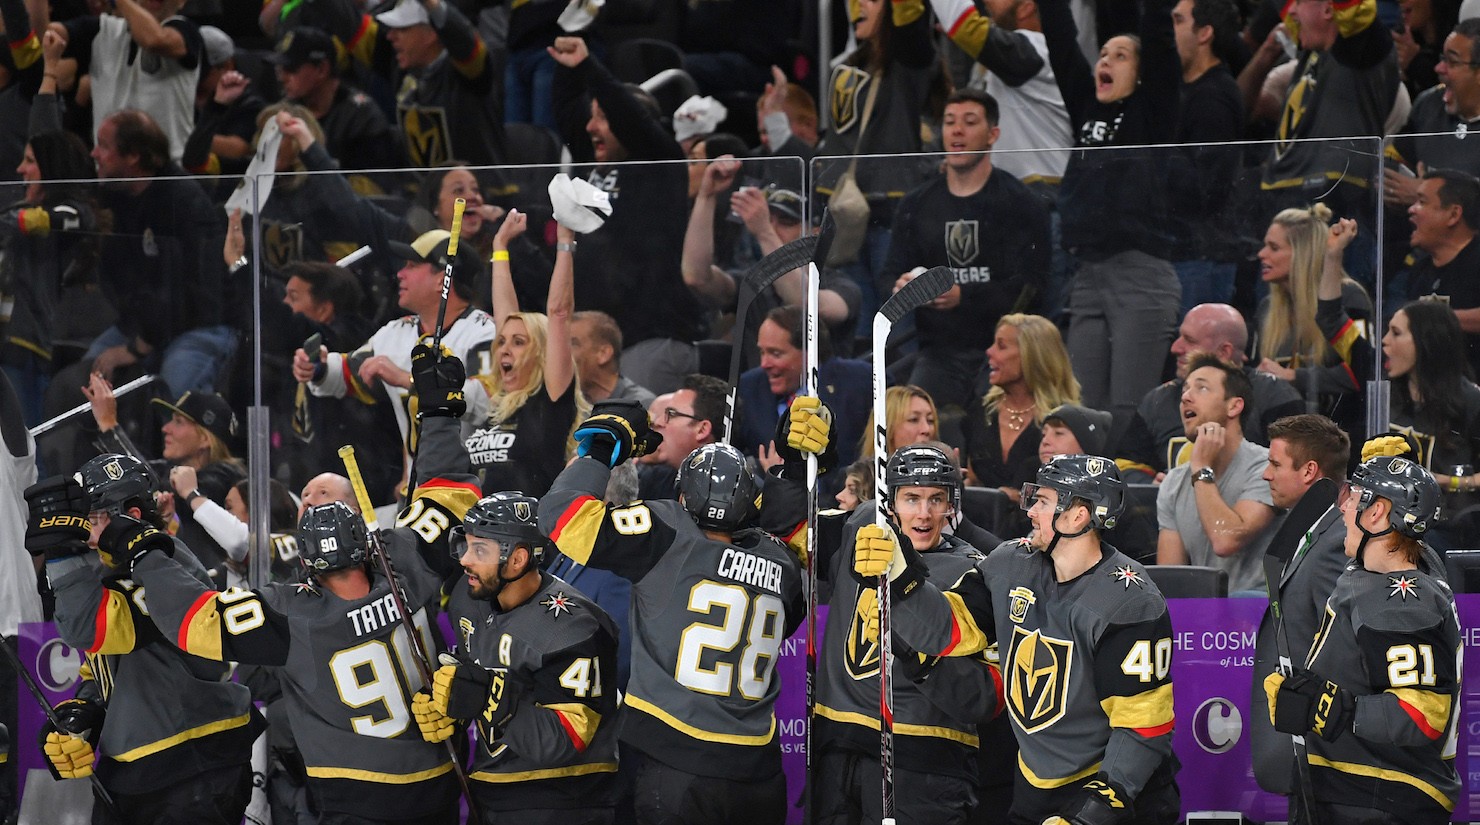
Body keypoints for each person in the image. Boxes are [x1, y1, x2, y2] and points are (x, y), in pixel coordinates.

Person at [124, 348, 482, 823]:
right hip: (435, 778)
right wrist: (438, 413)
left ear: (306, 559)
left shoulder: (290, 612)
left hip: (352, 795)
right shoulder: (404, 561)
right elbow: (450, 493)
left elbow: (193, 621)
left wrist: (145, 547)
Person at [857, 454, 1180, 824]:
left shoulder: (1130, 600)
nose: (1030, 512)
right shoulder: (1011, 563)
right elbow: (948, 630)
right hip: (1034, 788)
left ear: (1078, 515)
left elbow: (1142, 725)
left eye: (1042, 501)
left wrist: (1091, 814)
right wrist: (901, 576)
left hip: (1119, 795)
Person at [538, 403, 805, 825]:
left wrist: (599, 451)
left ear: (682, 496)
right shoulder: (784, 561)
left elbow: (561, 518)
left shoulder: (666, 530)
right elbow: (791, 614)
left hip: (675, 764)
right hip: (759, 774)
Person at [26, 452, 262, 823]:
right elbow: (104, 659)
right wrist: (88, 706)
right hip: (146, 766)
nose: (79, 528)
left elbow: (89, 628)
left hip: (191, 760)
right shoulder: (110, 565)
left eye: (91, 517)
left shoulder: (162, 563)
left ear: (131, 517)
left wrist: (60, 551)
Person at [808, 443, 999, 825]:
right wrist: (799, 464)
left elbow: (987, 698)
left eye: (936, 500)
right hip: (836, 753)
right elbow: (794, 535)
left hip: (922, 766)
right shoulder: (864, 525)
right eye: (911, 498)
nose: (924, 514)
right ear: (890, 501)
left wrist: (918, 657)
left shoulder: (979, 573)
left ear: (951, 505)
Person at [1264, 453, 1459, 825]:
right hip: (1358, 789)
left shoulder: (1399, 603)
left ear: (1377, 513)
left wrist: (1332, 708)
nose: (1343, 505)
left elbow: (1422, 715)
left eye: (1354, 495)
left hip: (1379, 797)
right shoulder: (1395, 569)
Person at [416, 491, 622, 820]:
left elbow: (565, 741)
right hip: (489, 790)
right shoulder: (467, 599)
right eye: (466, 545)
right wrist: (452, 708)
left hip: (563, 801)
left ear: (517, 559)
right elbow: (474, 684)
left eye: (480, 549)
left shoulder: (576, 626)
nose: (465, 559)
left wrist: (485, 697)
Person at [1043, 0, 1183, 437]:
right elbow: (1062, 43)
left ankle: (1125, 498)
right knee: (1082, 406)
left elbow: (1160, 40)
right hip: (1087, 272)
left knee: (1127, 407)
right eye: (1103, 54)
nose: (1105, 60)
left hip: (1140, 271)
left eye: (1120, 56)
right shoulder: (1088, 106)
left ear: (1141, 73)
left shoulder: (1154, 110)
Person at [550, 35, 705, 394]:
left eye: (603, 118)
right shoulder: (592, 164)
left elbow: (628, 116)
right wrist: (567, 67)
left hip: (649, 338)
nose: (591, 128)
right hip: (596, 339)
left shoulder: (661, 163)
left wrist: (591, 67)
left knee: (643, 441)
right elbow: (566, 113)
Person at [884, 89, 1053, 415]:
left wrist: (965, 296)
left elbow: (1032, 288)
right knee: (908, 419)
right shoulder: (916, 204)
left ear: (993, 134)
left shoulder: (1022, 203)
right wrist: (903, 289)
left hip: (1005, 351)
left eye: (969, 121)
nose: (957, 130)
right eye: (949, 122)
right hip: (938, 352)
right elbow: (890, 273)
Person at [295, 228, 496, 501]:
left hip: (469, 494)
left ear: (442, 279)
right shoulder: (396, 333)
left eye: (413, 265)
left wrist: (407, 379)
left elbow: (488, 401)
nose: (400, 273)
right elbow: (348, 373)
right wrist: (317, 368)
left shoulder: (483, 332)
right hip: (414, 495)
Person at [1243, 0, 1397, 288]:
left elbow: (1356, 12)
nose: (1291, 12)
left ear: (1330, 9)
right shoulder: (1314, 53)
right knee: (1276, 320)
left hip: (1333, 211)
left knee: (1328, 317)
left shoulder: (1360, 49)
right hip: (1285, 204)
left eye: (1300, 2)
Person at [815, 0, 944, 335]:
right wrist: (819, 212)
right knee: (858, 330)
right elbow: (836, 146)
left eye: (871, 0)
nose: (858, 6)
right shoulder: (847, 66)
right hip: (845, 217)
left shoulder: (909, 65)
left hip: (892, 215)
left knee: (895, 327)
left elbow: (914, 32)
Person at [1249, 414, 1353, 805]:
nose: (1265, 475)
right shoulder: (1314, 529)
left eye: (1275, 464)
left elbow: (1340, 643)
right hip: (1307, 742)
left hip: (1323, 748)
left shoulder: (1337, 540)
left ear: (1309, 470)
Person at [463, 209, 582, 498]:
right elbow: (505, 312)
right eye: (502, 342)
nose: (504, 348)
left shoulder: (550, 401)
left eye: (519, 342)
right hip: (485, 533)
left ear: (542, 353)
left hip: (532, 537)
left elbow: (559, 313)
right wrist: (500, 248)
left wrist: (565, 244)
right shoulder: (502, 401)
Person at [1117, 303, 1305, 480]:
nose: (1175, 348)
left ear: (1224, 352)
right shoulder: (1158, 399)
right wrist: (1155, 486)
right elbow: (1125, 467)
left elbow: (1293, 471)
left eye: (1189, 341)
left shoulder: (1274, 396)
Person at [86, 382, 246, 571]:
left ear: (205, 438)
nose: (166, 428)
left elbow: (150, 486)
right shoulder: (167, 469)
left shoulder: (225, 478)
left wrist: (109, 426)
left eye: (179, 422)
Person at [1156, 353, 1280, 593]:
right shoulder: (1173, 483)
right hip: (1203, 621)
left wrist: (1202, 468)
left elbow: (1226, 539)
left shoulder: (1267, 467)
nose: (1185, 397)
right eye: (1185, 389)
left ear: (1234, 405)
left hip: (1259, 618)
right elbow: (1170, 581)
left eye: (1201, 388)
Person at [0, 127, 96, 425]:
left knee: (25, 439)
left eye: (30, 161)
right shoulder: (17, 210)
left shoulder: (76, 213)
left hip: (28, 342)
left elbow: (45, 220)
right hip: (6, 338)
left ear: (51, 168)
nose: (20, 169)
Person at [1252, 203, 1373, 432]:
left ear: (1302, 254)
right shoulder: (1267, 309)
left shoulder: (1349, 297)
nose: (1261, 254)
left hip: (1338, 434)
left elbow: (1361, 372)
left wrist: (1292, 376)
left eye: (1273, 247)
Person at [52, 0, 204, 164]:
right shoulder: (103, 29)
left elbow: (153, 40)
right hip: (109, 169)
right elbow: (46, 36)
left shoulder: (186, 31)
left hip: (165, 169)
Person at [1166, 0, 1245, 314]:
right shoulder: (1180, 89)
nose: (1168, 30)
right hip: (1182, 253)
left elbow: (1207, 187)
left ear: (1204, 33)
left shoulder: (1214, 97)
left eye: (1177, 20)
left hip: (1200, 257)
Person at [735, 304, 871, 474]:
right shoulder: (749, 388)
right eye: (762, 352)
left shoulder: (860, 382)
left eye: (775, 354)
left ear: (810, 353)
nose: (764, 364)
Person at [962, 313, 1080, 506]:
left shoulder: (1065, 420)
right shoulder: (981, 412)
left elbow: (1073, 492)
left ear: (1031, 356)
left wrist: (1020, 500)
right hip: (983, 525)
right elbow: (973, 479)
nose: (989, 352)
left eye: (1001, 346)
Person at [265, 26, 403, 175]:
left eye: (291, 69)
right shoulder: (285, 111)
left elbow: (373, 185)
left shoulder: (361, 116)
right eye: (279, 69)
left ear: (321, 70)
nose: (282, 78)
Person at [1389, 18, 1480, 201]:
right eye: (1442, 59)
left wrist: (1426, 194)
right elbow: (1389, 166)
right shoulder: (1428, 105)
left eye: (1452, 62)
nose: (1439, 68)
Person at [1403, 170, 1480, 377]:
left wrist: (1434, 320)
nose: (1412, 210)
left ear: (1453, 214)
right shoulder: (1419, 272)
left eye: (1422, 202)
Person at [637, 373, 728, 500]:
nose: (658, 422)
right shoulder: (654, 480)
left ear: (702, 430)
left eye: (671, 414)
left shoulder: (734, 494)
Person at [571, 310, 657, 407]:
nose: (562, 355)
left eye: (572, 344)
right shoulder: (568, 405)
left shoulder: (638, 406)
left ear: (603, 354)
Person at [859, 384, 940, 460]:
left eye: (930, 420)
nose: (926, 429)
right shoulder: (861, 474)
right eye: (913, 419)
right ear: (887, 428)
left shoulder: (948, 472)